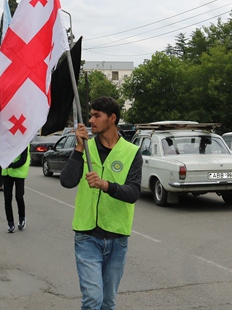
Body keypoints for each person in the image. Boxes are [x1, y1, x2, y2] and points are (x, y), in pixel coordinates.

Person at [60, 97, 143, 310]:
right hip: (87, 235)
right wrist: (78, 149)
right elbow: (67, 181)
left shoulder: (131, 152)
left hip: (117, 237)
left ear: (112, 118)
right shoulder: (86, 148)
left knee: (107, 302)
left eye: (97, 115)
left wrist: (106, 184)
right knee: (92, 300)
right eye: (90, 115)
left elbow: (133, 192)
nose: (91, 120)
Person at [2, 144, 30, 233]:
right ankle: (10, 223)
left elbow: (23, 160)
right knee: (7, 198)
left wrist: (11, 165)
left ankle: (22, 218)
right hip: (6, 173)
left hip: (19, 172)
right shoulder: (6, 141)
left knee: (19, 197)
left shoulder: (23, 142)